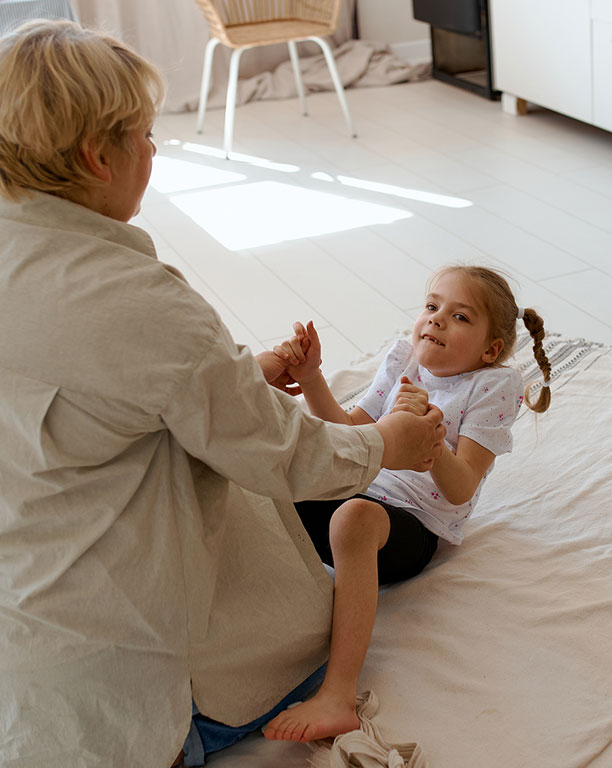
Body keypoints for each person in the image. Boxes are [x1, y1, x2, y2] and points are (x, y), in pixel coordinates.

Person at [0, 21, 446, 767]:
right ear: (93, 156)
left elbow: (101, 395)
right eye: (144, 135)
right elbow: (289, 457)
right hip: (139, 683)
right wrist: (384, 446)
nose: (153, 150)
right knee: (336, 553)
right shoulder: (135, 300)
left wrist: (233, 379)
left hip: (30, 633)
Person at [264, 265, 552, 743]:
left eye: (459, 316)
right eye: (432, 306)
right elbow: (349, 433)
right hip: (355, 483)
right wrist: (311, 377)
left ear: (490, 349)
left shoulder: (492, 386)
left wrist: (432, 438)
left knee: (353, 517)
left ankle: (339, 695)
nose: (436, 320)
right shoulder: (403, 360)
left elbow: (460, 488)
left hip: (409, 523)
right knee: (271, 471)